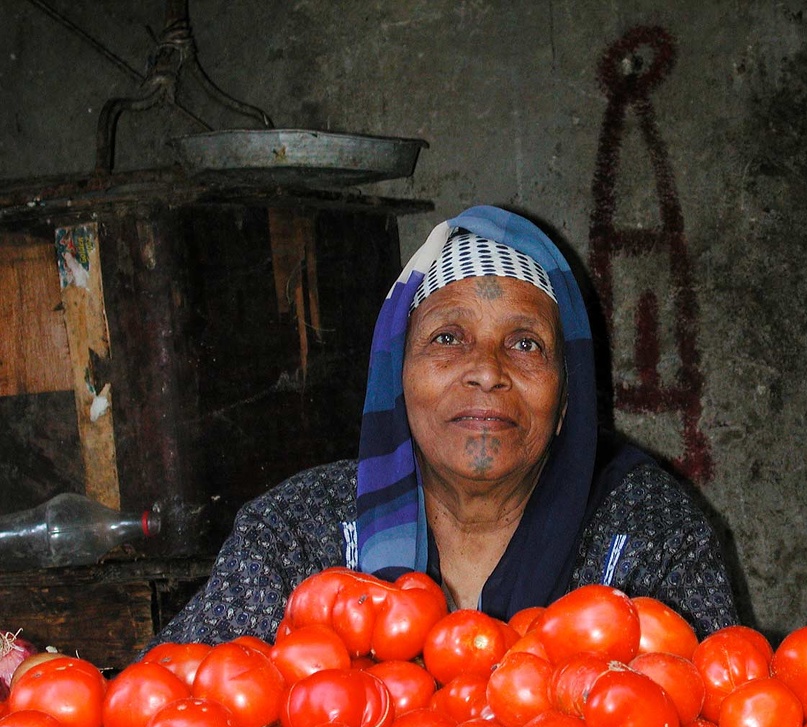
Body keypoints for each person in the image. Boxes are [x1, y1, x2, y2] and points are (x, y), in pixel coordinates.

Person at [152, 205, 737, 647]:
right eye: (448, 338)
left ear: (567, 400)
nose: (486, 371)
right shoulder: (296, 534)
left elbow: (729, 716)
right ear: (398, 377)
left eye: (526, 343)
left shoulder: (645, 531)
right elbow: (170, 703)